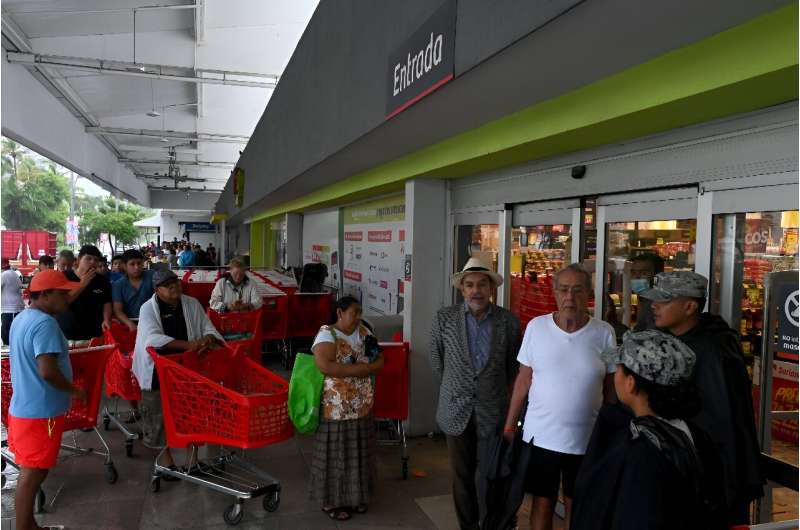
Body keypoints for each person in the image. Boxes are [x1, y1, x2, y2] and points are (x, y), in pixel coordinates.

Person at [640, 271, 763, 525]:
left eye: (664, 300)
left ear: (689, 306)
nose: (655, 305)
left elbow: (725, 428)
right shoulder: (680, 340)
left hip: (713, 485)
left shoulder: (713, 352)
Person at [571, 330, 725, 530]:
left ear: (631, 383)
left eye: (619, 368)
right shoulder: (695, 434)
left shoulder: (639, 453)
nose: (614, 374)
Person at [503, 263, 616, 530]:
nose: (570, 297)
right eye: (564, 289)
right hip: (541, 436)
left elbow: (612, 385)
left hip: (587, 438)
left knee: (578, 502)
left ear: (588, 293)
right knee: (542, 502)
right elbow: (523, 379)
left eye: (577, 290)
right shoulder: (536, 327)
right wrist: (510, 423)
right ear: (554, 293)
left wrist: (612, 429)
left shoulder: (604, 333)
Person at [430, 257, 521, 530]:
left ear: (491, 288)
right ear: (462, 290)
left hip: (493, 411)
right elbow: (438, 362)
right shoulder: (444, 318)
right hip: (455, 410)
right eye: (469, 285)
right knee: (462, 476)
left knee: (492, 475)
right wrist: (456, 386)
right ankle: (468, 526)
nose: (476, 291)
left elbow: (513, 368)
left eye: (482, 284)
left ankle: (493, 524)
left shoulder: (507, 321)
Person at [8, 270, 86, 530]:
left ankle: (29, 524)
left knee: (33, 470)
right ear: (45, 295)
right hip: (40, 413)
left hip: (25, 410)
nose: (67, 297)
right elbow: (48, 371)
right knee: (33, 473)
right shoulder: (45, 324)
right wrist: (74, 391)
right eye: (62, 292)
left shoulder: (23, 318)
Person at [132, 269, 222, 472]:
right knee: (158, 414)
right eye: (168, 285)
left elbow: (207, 326)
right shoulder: (148, 308)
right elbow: (151, 338)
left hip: (186, 367)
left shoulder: (191, 303)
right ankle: (166, 460)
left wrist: (208, 337)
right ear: (157, 289)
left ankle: (193, 459)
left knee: (193, 410)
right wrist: (189, 345)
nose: (174, 287)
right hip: (157, 369)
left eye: (176, 283)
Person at [309, 296, 384, 521]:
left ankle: (357, 497)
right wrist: (362, 370)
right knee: (337, 455)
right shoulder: (327, 334)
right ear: (340, 313)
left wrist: (369, 367)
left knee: (359, 452)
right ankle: (332, 501)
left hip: (361, 405)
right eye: (354, 312)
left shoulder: (364, 332)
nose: (358, 316)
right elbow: (325, 366)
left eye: (360, 311)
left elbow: (379, 360)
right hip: (336, 409)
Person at [55, 245, 112, 343]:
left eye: (95, 260)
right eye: (88, 258)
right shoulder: (64, 277)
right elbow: (62, 303)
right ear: (78, 260)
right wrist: (82, 284)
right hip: (68, 335)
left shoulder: (102, 280)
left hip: (95, 334)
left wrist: (106, 319)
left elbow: (106, 302)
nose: (92, 262)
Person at [112, 249, 155, 331]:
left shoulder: (152, 276)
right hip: (129, 323)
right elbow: (118, 310)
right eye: (132, 264)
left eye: (139, 263)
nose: (137, 267)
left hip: (153, 320)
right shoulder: (118, 285)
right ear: (124, 266)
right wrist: (130, 324)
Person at [629, 252, 664, 331]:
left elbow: (649, 336)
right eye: (633, 272)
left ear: (657, 275)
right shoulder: (644, 299)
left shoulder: (657, 304)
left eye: (643, 273)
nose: (637, 277)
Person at [2, 258, 25, 346]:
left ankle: (9, 351)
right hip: (16, 307)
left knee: (6, 333)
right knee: (15, 331)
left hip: (10, 309)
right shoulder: (13, 273)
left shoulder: (4, 275)